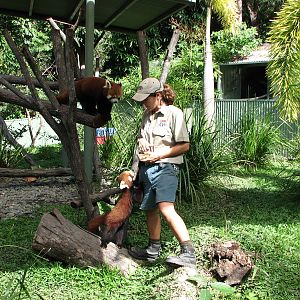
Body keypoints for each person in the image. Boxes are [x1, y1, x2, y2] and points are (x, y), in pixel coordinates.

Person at [125, 77, 196, 268]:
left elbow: (184, 146)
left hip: (166, 168)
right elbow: (142, 138)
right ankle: (152, 250)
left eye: (145, 100)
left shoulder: (174, 113)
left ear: (157, 96)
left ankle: (188, 252)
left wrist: (158, 155)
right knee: (150, 210)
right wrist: (141, 142)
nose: (142, 104)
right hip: (147, 170)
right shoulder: (146, 115)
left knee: (166, 208)